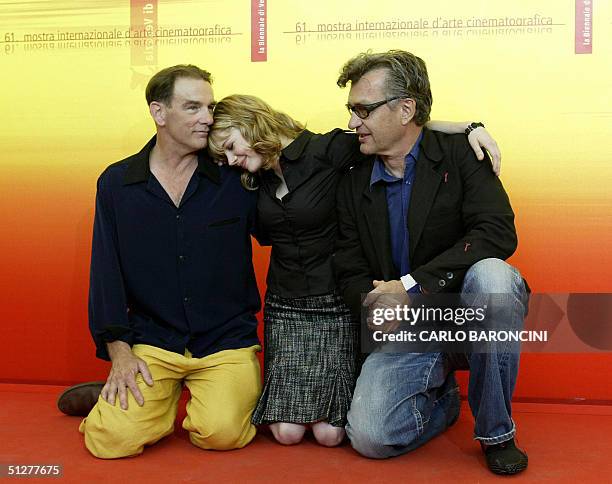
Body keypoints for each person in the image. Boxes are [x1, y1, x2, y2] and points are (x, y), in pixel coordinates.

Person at [205, 93, 503, 447]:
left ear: (250, 123)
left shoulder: (324, 149)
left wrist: (468, 127)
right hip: (285, 306)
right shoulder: (251, 179)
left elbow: (399, 130)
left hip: (333, 302)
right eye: (222, 155)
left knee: (331, 435)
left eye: (230, 146)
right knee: (286, 434)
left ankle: (446, 398)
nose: (230, 158)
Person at [333, 50, 529, 475]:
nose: (353, 122)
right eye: (351, 110)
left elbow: (497, 233)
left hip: (467, 311)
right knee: (370, 437)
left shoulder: (461, 155)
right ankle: (443, 401)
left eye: (363, 109)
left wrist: (411, 286)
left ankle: (497, 432)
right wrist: (372, 302)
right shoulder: (350, 170)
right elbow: (347, 264)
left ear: (406, 109)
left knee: (494, 276)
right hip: (407, 326)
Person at [74, 64, 263, 458]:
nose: (208, 119)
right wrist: (119, 350)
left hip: (225, 341)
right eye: (193, 107)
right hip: (154, 341)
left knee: (221, 433)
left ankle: (181, 401)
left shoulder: (235, 175)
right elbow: (105, 271)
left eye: (210, 108)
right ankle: (135, 406)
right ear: (159, 112)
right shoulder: (117, 183)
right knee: (110, 442)